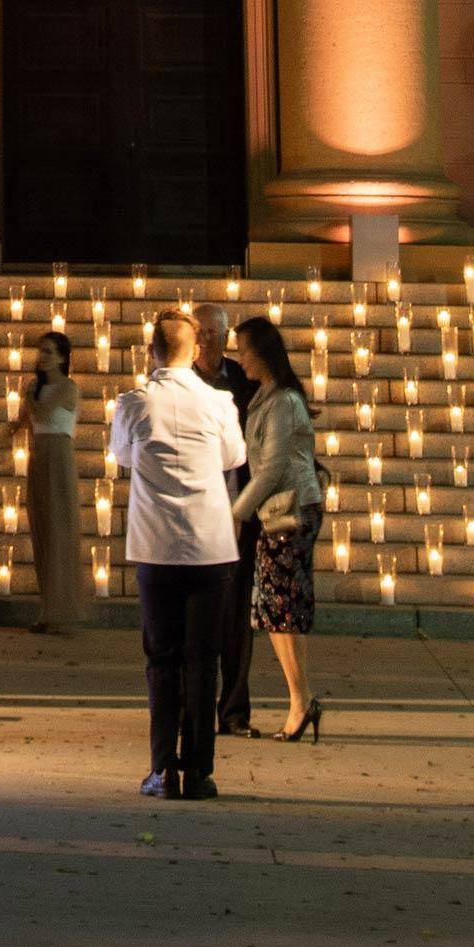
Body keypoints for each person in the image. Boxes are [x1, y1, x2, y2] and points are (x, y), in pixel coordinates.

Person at [107, 307, 246, 800]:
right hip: (210, 545)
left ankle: (163, 768)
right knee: (203, 660)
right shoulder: (218, 402)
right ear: (197, 350)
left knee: (162, 659)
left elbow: (122, 457)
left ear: (152, 351)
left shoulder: (134, 402)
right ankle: (201, 772)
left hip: (158, 546)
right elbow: (234, 457)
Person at [232, 315, 326, 742]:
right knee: (274, 612)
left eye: (245, 350)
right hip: (276, 512)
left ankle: (300, 702)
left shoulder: (284, 401)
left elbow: (271, 468)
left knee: (283, 610)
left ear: (263, 352)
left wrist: (236, 512)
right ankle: (300, 699)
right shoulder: (266, 395)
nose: (240, 358)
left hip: (291, 511)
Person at [194, 301, 258, 736]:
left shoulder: (241, 379)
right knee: (199, 616)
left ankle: (234, 710)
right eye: (200, 333)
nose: (208, 341)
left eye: (215, 333)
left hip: (238, 505)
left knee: (236, 614)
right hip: (195, 510)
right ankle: (194, 707)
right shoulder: (180, 381)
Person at [17, 330, 84, 632]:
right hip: (39, 457)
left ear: (61, 356)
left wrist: (30, 395)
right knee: (42, 531)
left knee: (60, 531)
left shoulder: (69, 388)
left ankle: (64, 612)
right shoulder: (34, 387)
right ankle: (47, 611)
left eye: (48, 352)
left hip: (59, 458)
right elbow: (24, 421)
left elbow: (42, 410)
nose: (42, 357)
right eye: (40, 351)